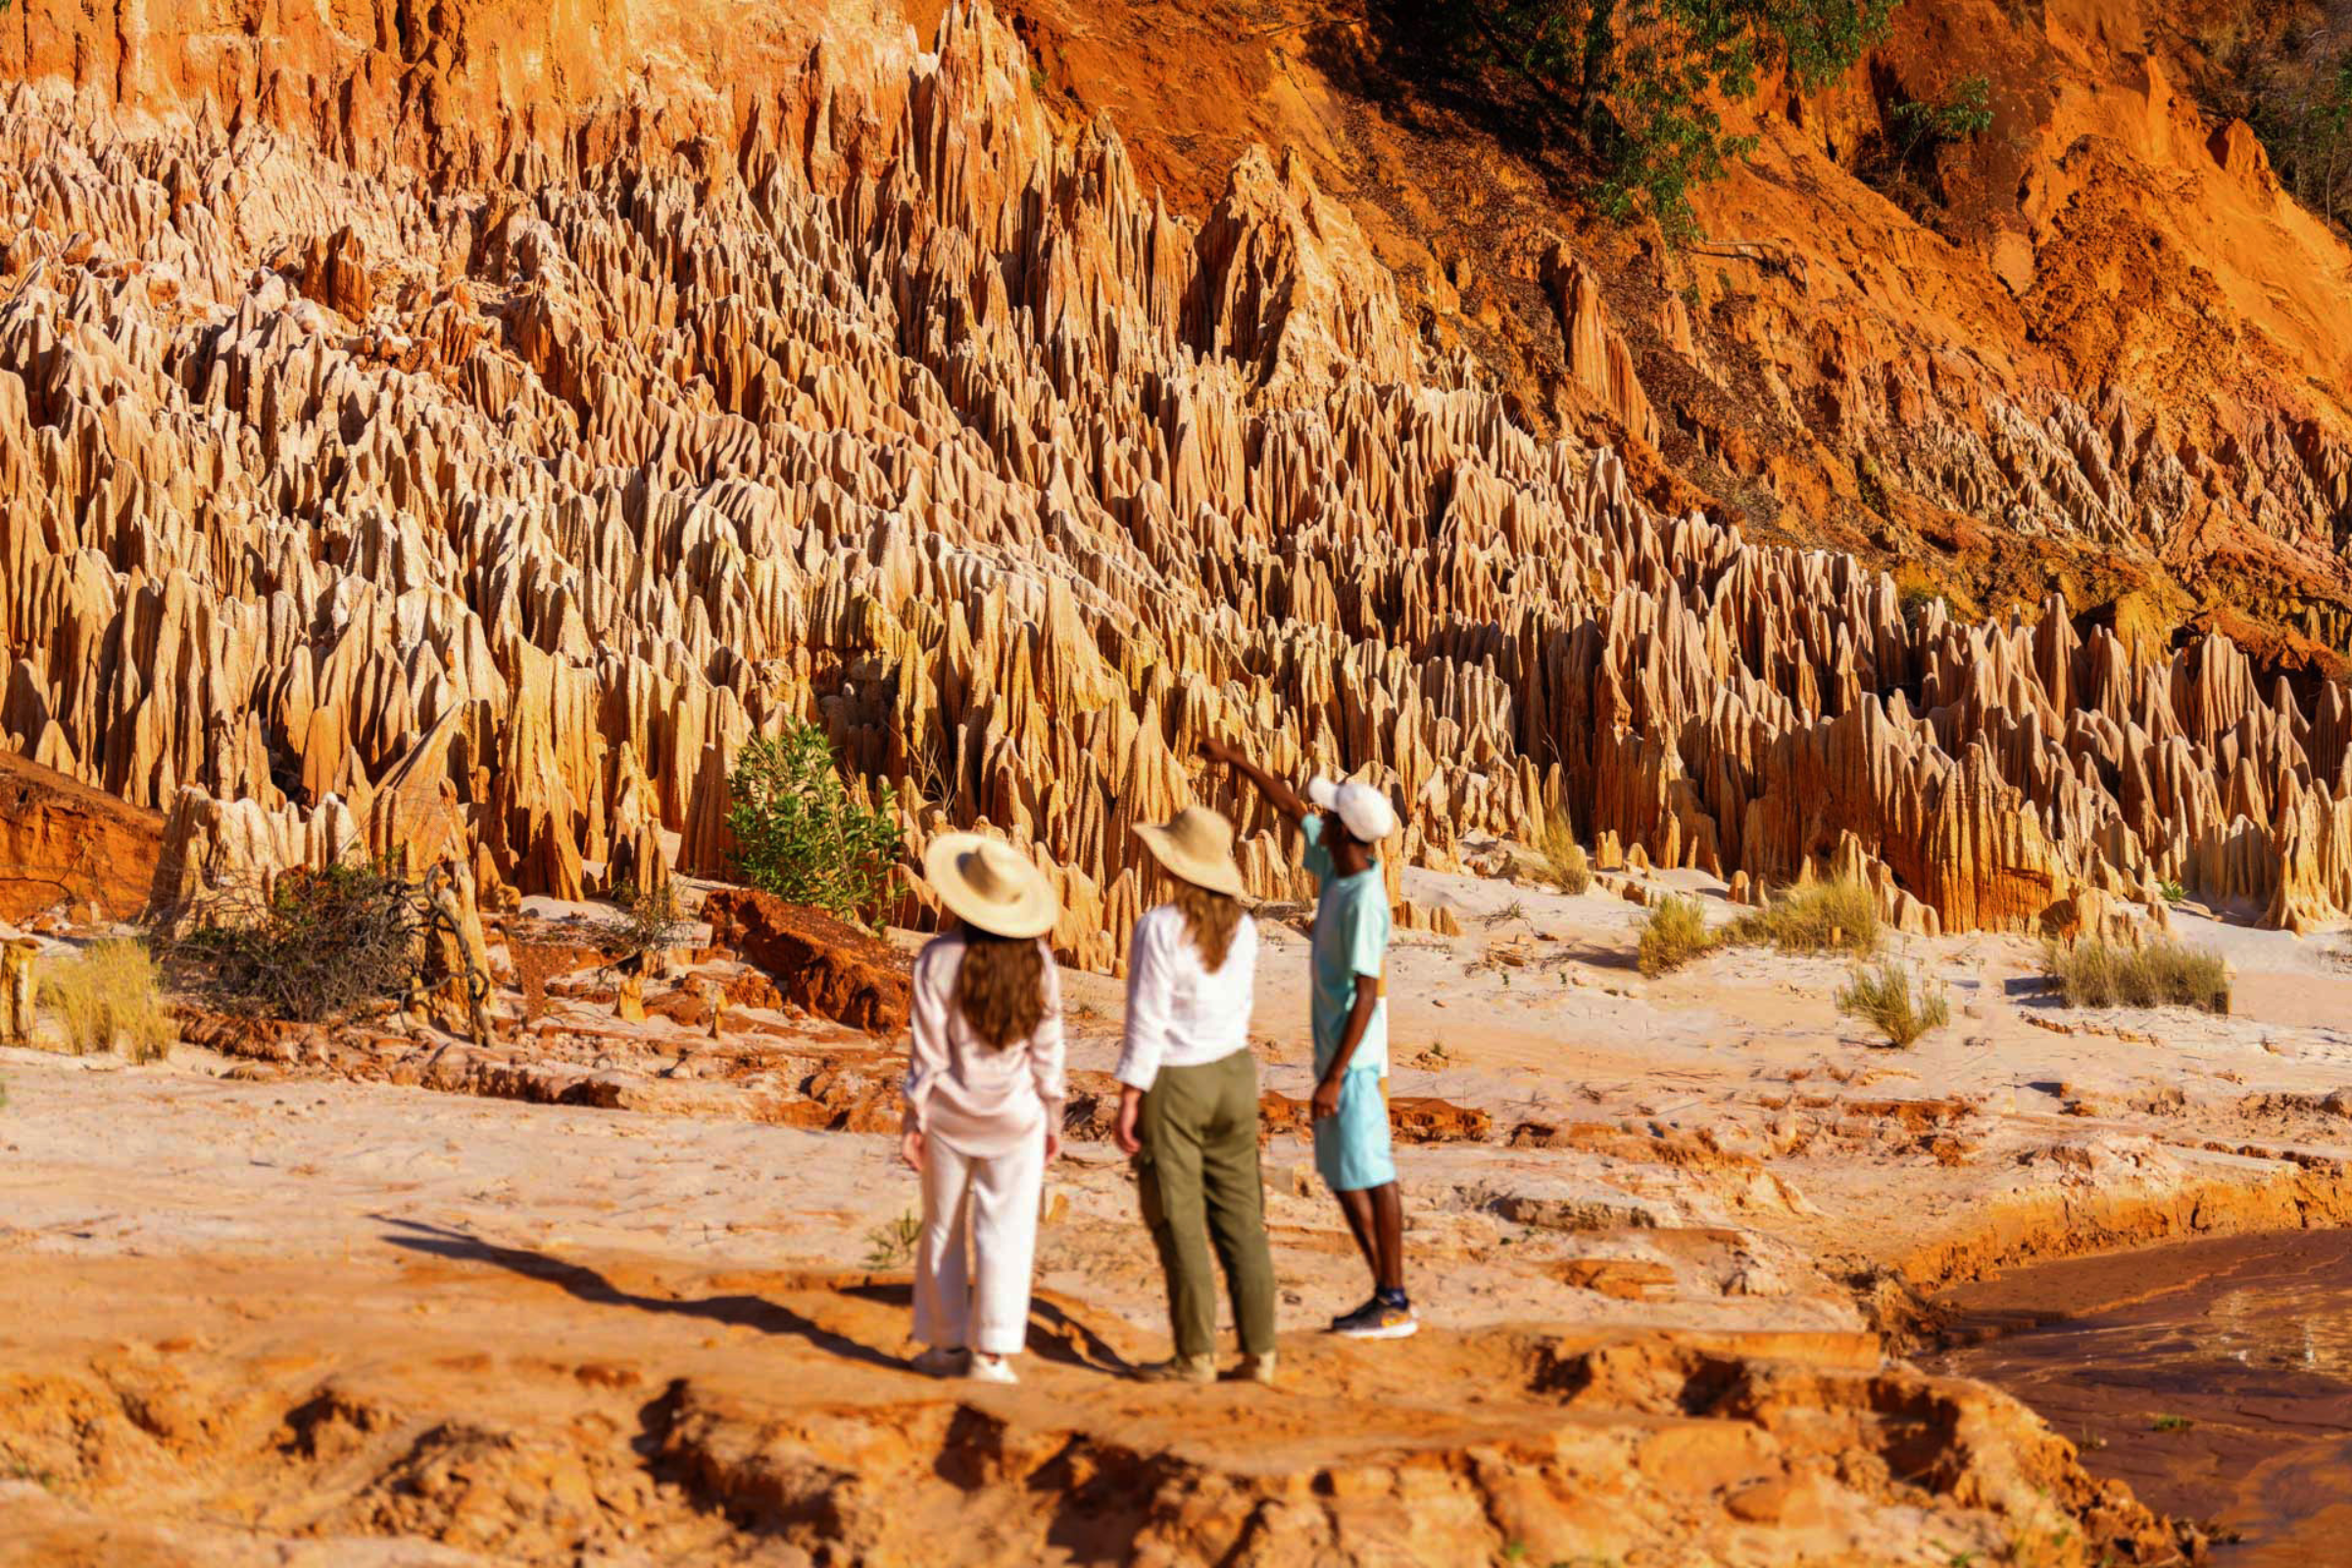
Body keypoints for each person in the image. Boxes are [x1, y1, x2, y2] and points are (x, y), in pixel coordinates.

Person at [1201, 738, 1415, 1341]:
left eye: (1328, 815)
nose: (1316, 817)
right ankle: (1385, 1291)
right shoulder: (1338, 861)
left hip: (1355, 1061)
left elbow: (1368, 993)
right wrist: (1241, 763)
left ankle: (1394, 1298)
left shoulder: (1365, 901)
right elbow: (1291, 808)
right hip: (1336, 1054)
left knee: (1370, 1172)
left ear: (1347, 833)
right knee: (1341, 1172)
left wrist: (1333, 1076)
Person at [1115, 805, 1280, 1386]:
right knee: (1240, 1214)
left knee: (1178, 1218)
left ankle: (1195, 1355)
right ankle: (1260, 1351)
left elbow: (1147, 1018)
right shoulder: (1246, 927)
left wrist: (1129, 1094)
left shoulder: (1159, 926)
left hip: (1177, 1079)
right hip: (1235, 1074)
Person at [901, 832, 1066, 1384]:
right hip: (1016, 1117)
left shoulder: (938, 959)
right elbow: (1049, 1051)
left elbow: (926, 1054)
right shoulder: (1038, 962)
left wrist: (913, 1120)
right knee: (1007, 1230)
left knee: (944, 1228)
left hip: (949, 1115)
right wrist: (1053, 1115)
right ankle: (991, 1355)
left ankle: (946, 1347)